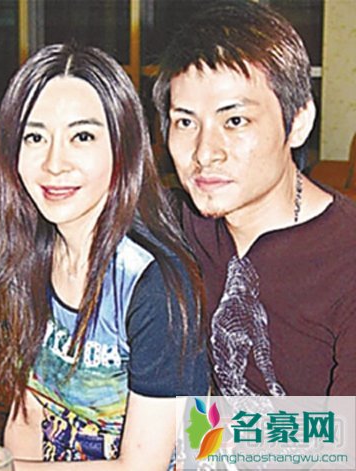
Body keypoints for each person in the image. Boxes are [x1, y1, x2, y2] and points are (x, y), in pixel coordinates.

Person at [0, 43, 209, 470]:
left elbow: (143, 466)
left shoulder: (153, 283)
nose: (54, 164)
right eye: (35, 137)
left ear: (123, 149)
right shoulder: (29, 260)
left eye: (82, 136)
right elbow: (26, 421)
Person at [153, 0, 356, 396]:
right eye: (185, 122)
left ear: (298, 123)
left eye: (235, 120)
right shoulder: (178, 221)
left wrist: (191, 427)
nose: (204, 153)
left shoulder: (345, 258)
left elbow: (345, 432)